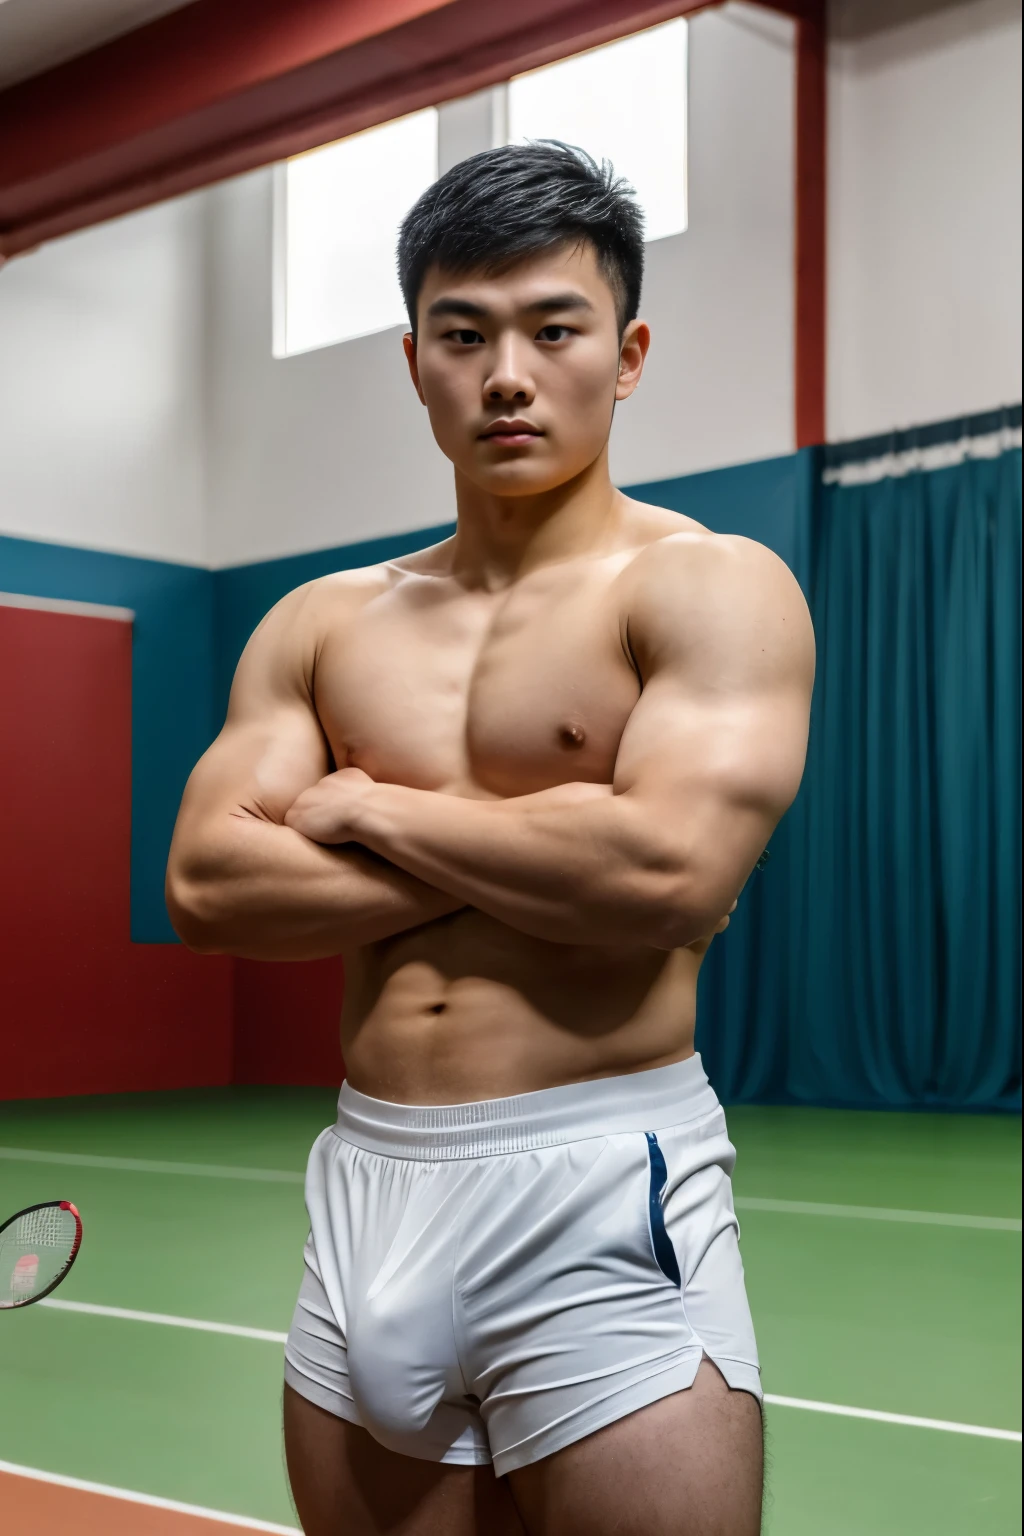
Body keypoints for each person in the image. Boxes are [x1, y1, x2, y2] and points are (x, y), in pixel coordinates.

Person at [166, 142, 814, 1536]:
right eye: (463, 336)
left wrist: (365, 804)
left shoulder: (710, 588)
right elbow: (209, 883)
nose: (507, 375)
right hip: (370, 1187)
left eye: (554, 328)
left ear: (626, 352)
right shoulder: (323, 621)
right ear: (415, 363)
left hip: (601, 1184)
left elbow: (665, 874)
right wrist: (550, 833)